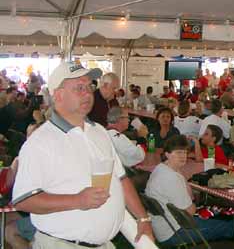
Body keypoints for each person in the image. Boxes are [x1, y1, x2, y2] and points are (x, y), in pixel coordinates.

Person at [12, 61, 153, 248]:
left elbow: (121, 179)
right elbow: (24, 200)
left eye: (89, 86)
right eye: (79, 88)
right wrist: (78, 200)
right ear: (59, 95)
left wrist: (143, 219)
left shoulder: (99, 132)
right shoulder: (40, 142)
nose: (88, 93)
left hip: (104, 243)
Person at [145, 135, 234, 246]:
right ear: (167, 154)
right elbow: (190, 211)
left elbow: (190, 197)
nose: (183, 156)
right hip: (174, 232)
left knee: (216, 213)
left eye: (185, 152)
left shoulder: (161, 168)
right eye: (178, 152)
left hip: (162, 226)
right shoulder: (171, 178)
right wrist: (193, 202)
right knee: (229, 223)